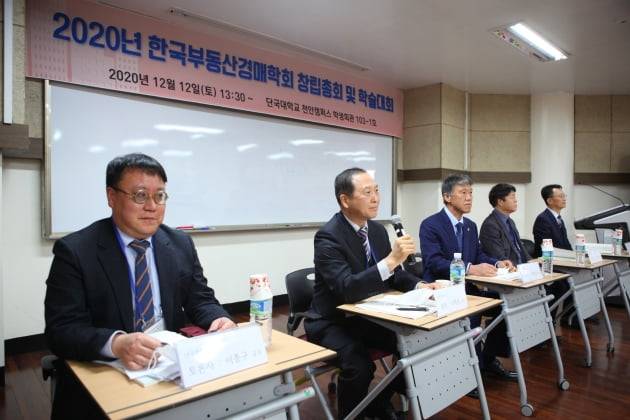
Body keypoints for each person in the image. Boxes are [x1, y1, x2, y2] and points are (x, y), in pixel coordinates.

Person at [44, 153, 236, 419]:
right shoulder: (76, 251)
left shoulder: (179, 243)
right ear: (111, 196)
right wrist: (116, 343)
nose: (152, 206)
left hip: (169, 369)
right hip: (107, 373)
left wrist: (218, 319)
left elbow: (200, 298)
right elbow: (61, 330)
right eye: (140, 195)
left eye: (160, 196)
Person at [305, 167, 422, 420]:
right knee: (359, 365)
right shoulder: (328, 237)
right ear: (345, 200)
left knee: (415, 342)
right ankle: (351, 415)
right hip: (332, 321)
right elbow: (346, 288)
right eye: (367, 192)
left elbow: (394, 274)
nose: (376, 198)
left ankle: (378, 401)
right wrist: (391, 261)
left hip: (367, 316)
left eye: (377, 191)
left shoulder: (377, 231)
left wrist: (420, 285)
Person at [419, 174, 517, 384]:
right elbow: (434, 262)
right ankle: (469, 375)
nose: (469, 197)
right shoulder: (431, 224)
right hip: (441, 292)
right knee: (470, 318)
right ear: (447, 197)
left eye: (471, 193)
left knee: (505, 306)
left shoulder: (470, 225)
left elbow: (478, 254)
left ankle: (487, 360)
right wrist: (472, 268)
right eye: (463, 193)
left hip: (468, 290)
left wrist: (497, 263)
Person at [479, 183, 531, 266]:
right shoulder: (490, 225)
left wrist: (531, 262)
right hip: (508, 269)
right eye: (512, 197)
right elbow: (499, 257)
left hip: (522, 267)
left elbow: (520, 248)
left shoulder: (510, 221)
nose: (515, 200)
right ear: (500, 202)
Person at [533, 184, 572, 257]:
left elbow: (566, 244)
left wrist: (573, 256)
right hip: (547, 260)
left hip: (562, 258)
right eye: (561, 196)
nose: (564, 199)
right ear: (549, 201)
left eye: (564, 196)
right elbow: (546, 248)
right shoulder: (542, 219)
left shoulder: (559, 219)